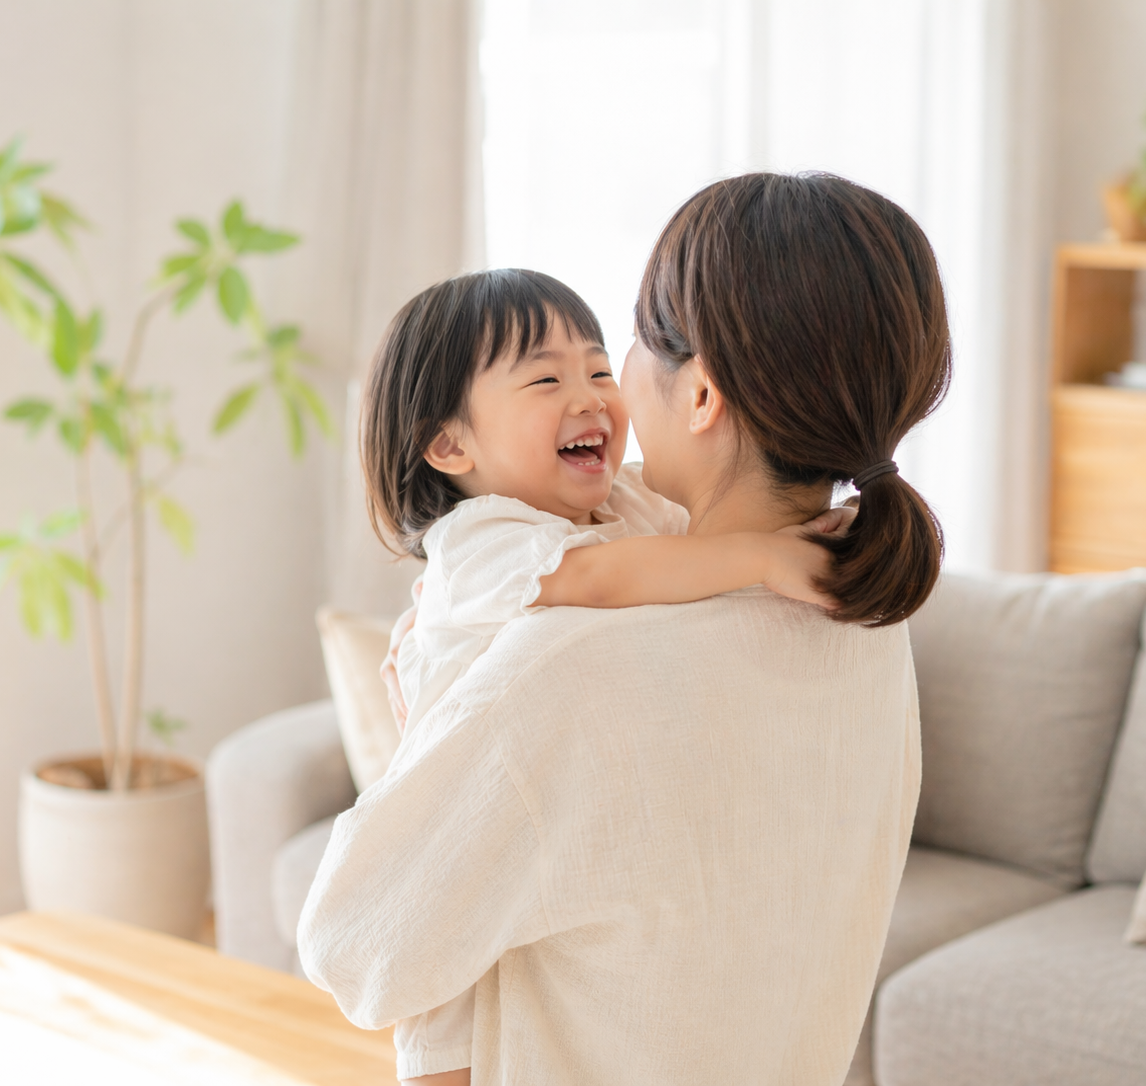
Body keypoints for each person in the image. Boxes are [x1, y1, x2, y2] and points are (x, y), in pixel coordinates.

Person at [298, 172, 950, 1085]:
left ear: (702, 398)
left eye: (625, 350)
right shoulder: (867, 613)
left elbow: (356, 948)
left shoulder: (570, 669)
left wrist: (446, 734)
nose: (608, 392)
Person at [361, 268, 852, 1078]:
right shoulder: (481, 539)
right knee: (442, 1027)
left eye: (597, 368)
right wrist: (764, 558)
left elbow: (686, 539)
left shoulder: (617, 503)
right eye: (546, 379)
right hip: (451, 828)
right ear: (451, 445)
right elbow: (600, 581)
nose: (590, 397)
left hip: (519, 834)